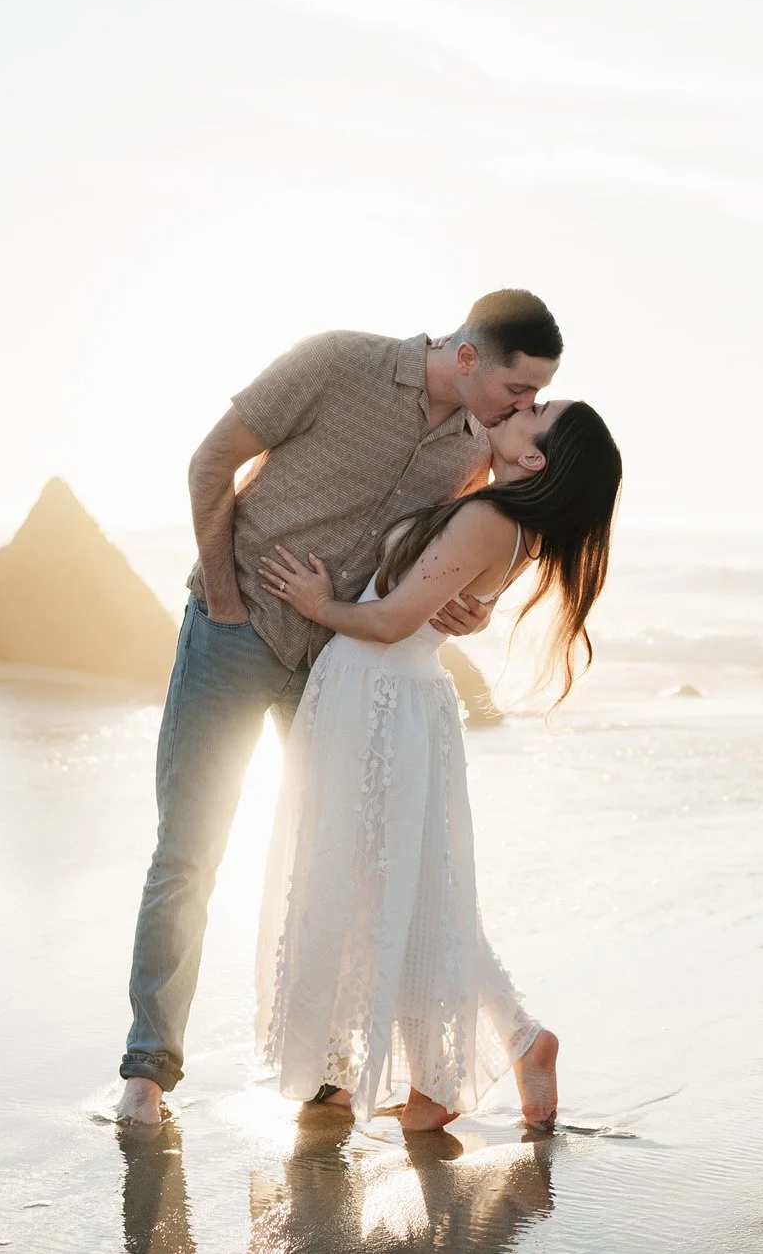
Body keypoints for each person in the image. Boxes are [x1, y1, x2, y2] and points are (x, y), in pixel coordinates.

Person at [118, 290, 565, 1127]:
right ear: (469, 356)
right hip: (234, 632)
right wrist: (222, 598)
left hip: (336, 670)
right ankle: (147, 1070)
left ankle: (329, 1071)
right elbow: (211, 463)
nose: (523, 408)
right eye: (517, 390)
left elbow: (459, 549)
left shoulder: (477, 447)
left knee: (346, 868)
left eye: (534, 397)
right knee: (188, 850)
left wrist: (477, 606)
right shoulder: (335, 363)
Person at [254, 398, 622, 1131]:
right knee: (414, 891)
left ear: (537, 457)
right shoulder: (514, 525)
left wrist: (318, 602)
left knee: (389, 888)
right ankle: (463, 1068)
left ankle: (485, 1053)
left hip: (379, 694)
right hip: (393, 696)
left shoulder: (491, 520)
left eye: (537, 410)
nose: (520, 405)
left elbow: (390, 620)